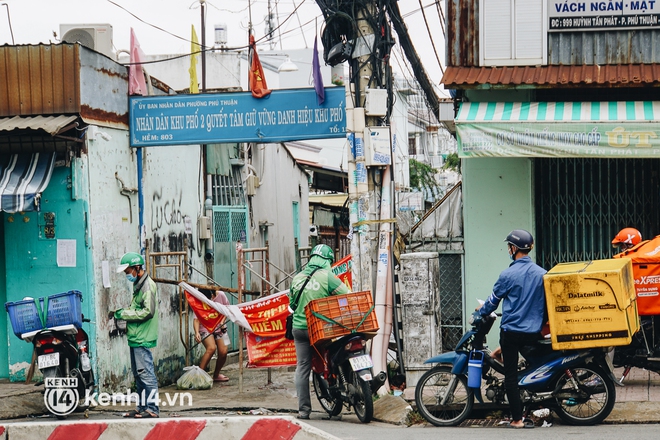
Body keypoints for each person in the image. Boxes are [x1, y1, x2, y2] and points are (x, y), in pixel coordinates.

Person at [477, 229, 546, 429]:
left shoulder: (507, 274)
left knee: (511, 377)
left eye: (509, 246)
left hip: (512, 332)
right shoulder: (542, 273)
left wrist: (480, 310)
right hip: (534, 333)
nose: (509, 249)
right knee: (525, 363)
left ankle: (517, 420)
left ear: (514, 248)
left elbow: (491, 303)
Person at [290, 244, 349, 420]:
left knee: (302, 367)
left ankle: (304, 411)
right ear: (327, 261)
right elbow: (346, 295)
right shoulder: (327, 276)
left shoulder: (297, 278)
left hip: (299, 328)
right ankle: (337, 385)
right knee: (333, 356)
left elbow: (292, 304)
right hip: (321, 329)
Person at [110, 252, 160, 419]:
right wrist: (123, 312)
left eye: (127, 271)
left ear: (137, 268)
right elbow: (137, 309)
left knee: (146, 374)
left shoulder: (147, 286)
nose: (127, 274)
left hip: (142, 337)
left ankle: (152, 409)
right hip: (136, 337)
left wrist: (124, 314)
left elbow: (148, 311)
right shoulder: (138, 284)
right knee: (139, 376)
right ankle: (142, 407)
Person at [193, 290, 230, 382]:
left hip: (220, 327)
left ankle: (216, 375)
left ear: (213, 295)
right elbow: (196, 319)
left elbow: (227, 309)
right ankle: (198, 377)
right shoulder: (199, 301)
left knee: (224, 351)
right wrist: (197, 332)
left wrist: (222, 322)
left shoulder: (221, 295)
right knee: (211, 348)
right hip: (205, 328)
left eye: (211, 299)